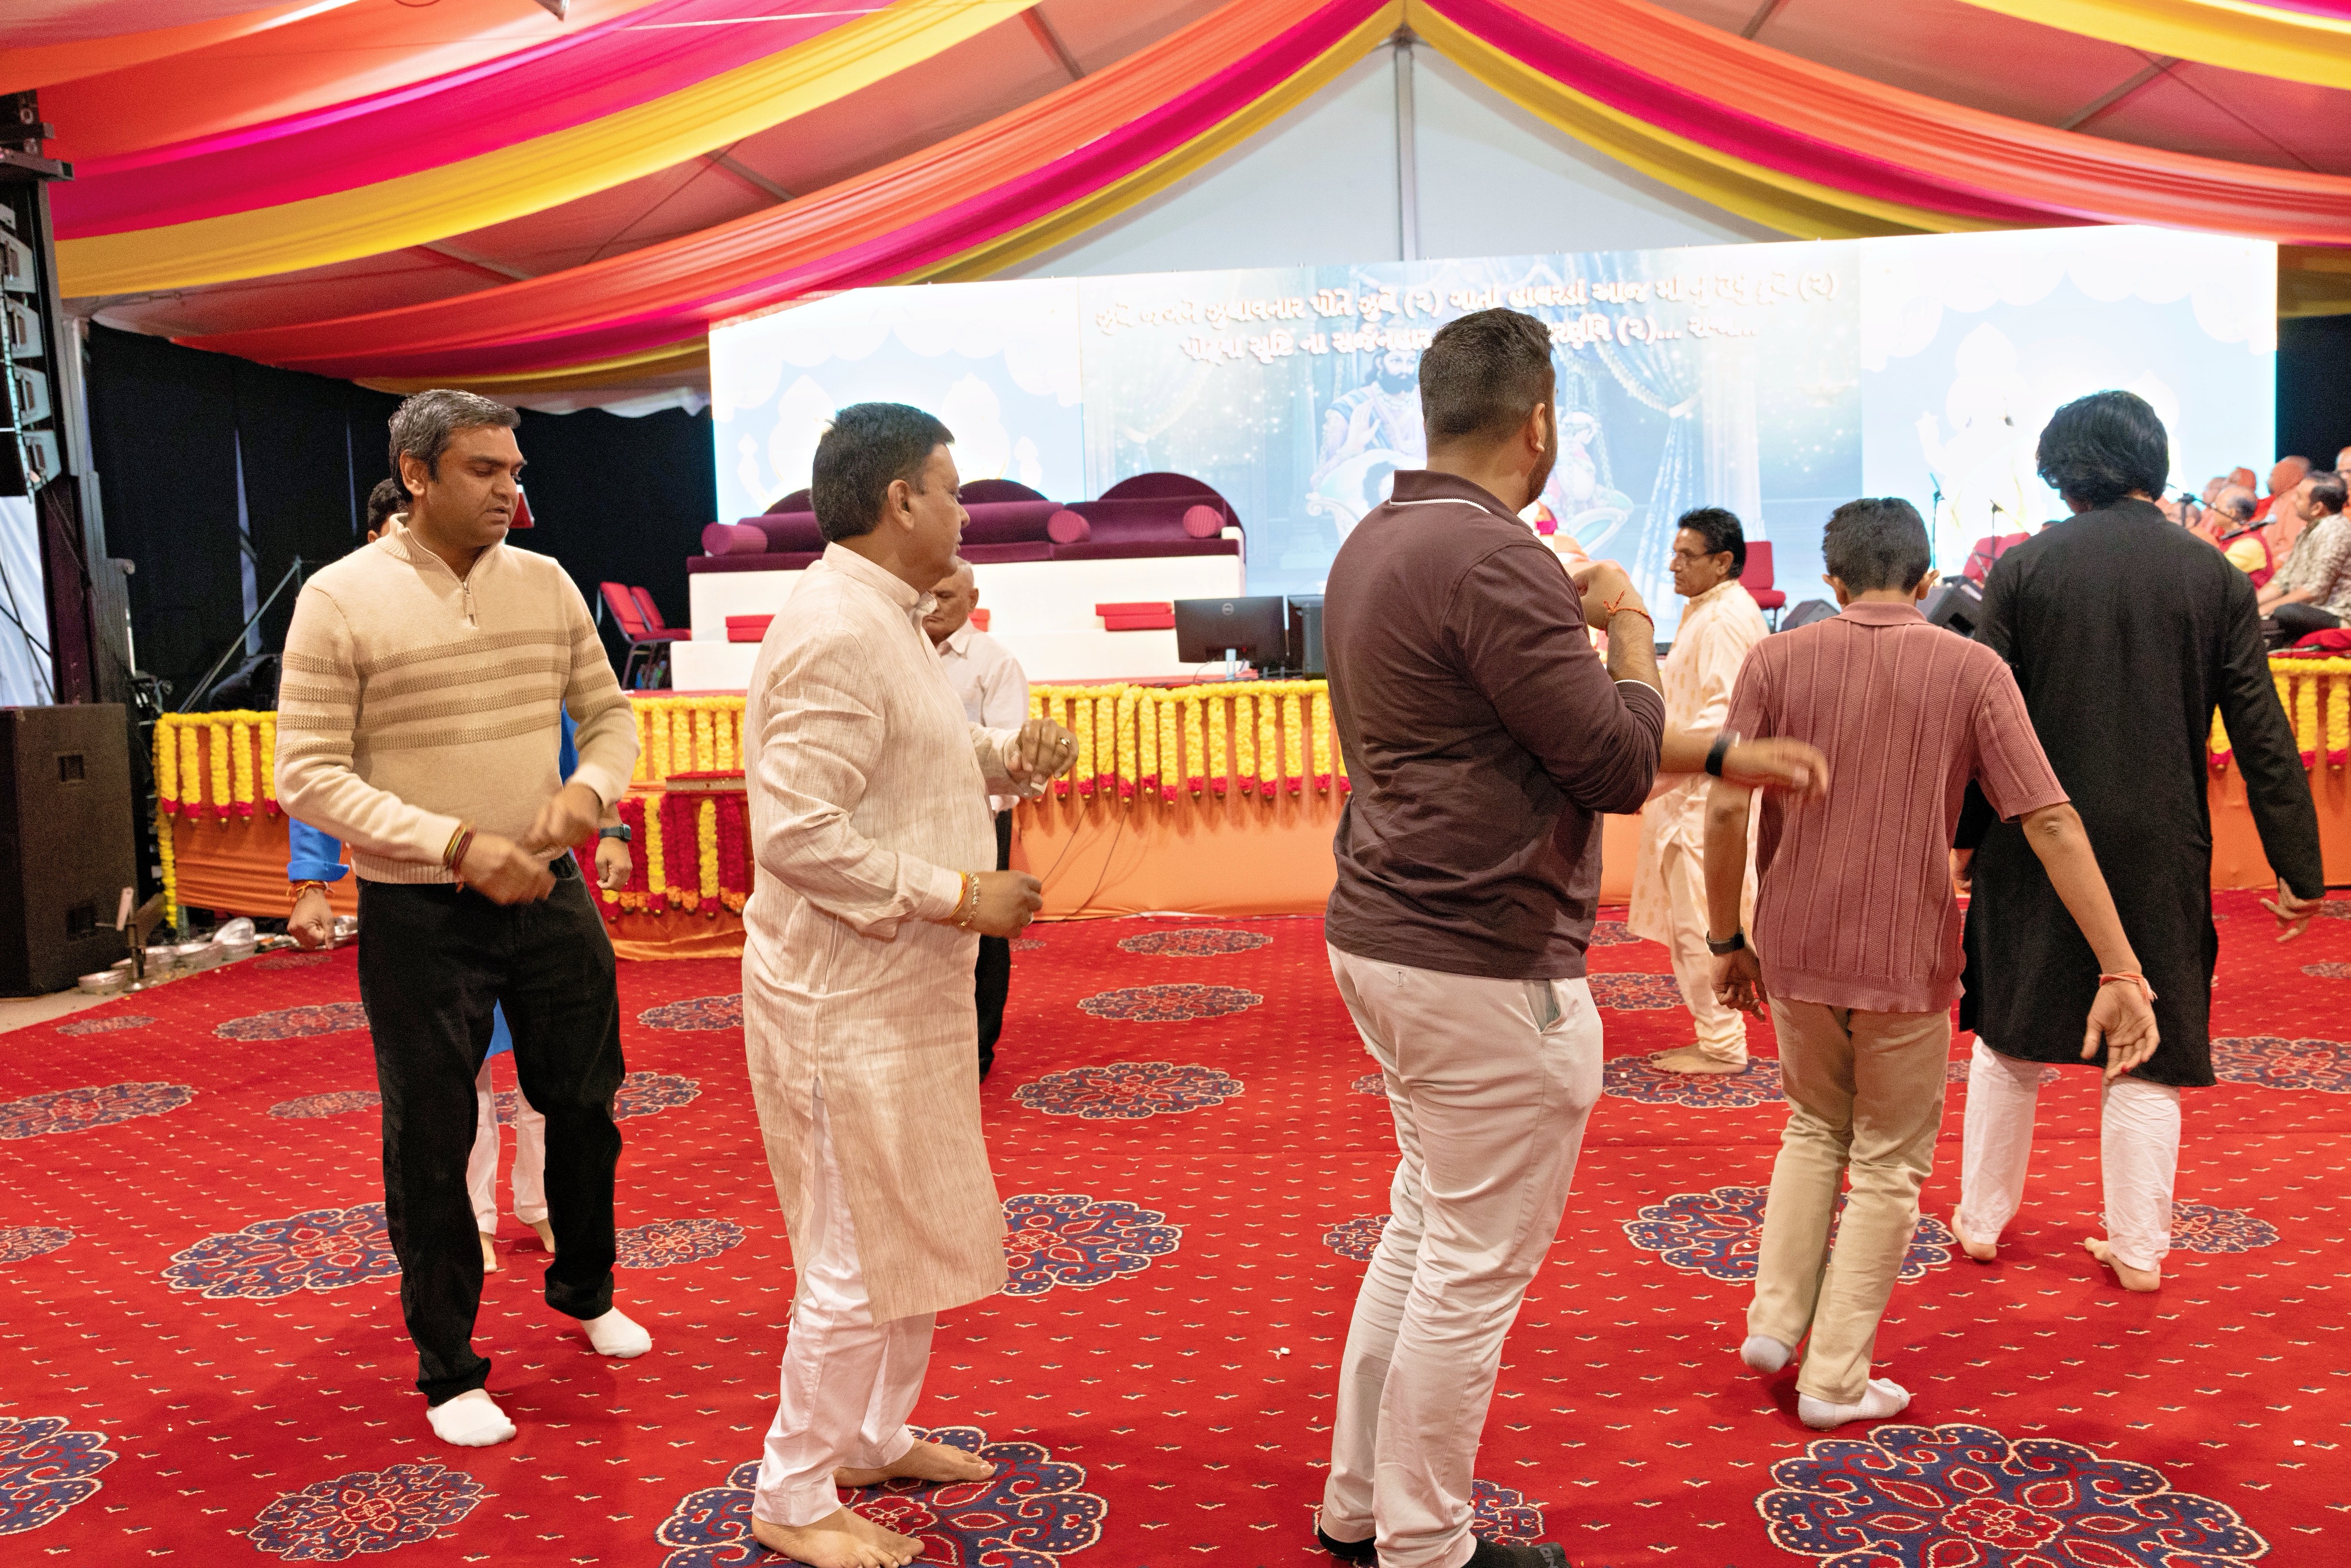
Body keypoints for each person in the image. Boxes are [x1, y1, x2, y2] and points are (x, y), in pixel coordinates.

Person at [1313, 308, 1828, 1568]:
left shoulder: (1376, 537)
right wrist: (1630, 624)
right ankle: (1424, 1541)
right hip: (1478, 948)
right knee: (1467, 1265)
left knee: (1425, 1231)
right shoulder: (1496, 559)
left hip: (1389, 927)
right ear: (1539, 423)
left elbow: (1525, 735)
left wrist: (1717, 750)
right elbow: (1606, 759)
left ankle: (1361, 1507)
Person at [1703, 496, 2156, 1431]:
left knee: (1812, 1127)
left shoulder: (1777, 657)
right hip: (1903, 955)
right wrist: (2121, 966)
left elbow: (1724, 805)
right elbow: (2049, 820)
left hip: (1793, 941)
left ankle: (1775, 1324)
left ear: (1831, 580)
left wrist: (1725, 939)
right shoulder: (1971, 666)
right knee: (1887, 1162)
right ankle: (1834, 1378)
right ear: (1926, 578)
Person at [739, 402, 1076, 1568]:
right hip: (845, 997)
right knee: (850, 1255)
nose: (966, 514)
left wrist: (1003, 756)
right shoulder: (837, 625)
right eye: (953, 490)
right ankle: (791, 1490)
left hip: (899, 986)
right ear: (901, 501)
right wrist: (958, 893)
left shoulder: (882, 616)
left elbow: (907, 752)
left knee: (907, 1228)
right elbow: (797, 834)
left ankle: (871, 1437)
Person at [277, 388, 647, 1450]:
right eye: (484, 469)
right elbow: (306, 772)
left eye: (515, 470)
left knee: (585, 1102)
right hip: (419, 908)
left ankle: (585, 1287)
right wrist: (452, 844)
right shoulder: (340, 598)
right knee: (432, 1138)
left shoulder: (546, 580)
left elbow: (609, 714)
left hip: (549, 889)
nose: (508, 490)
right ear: (417, 474)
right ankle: (449, 1367)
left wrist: (592, 792)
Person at [1950, 393, 2326, 1294]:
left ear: (2062, 471)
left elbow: (1980, 724)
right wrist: (2300, 865)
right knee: (2149, 1046)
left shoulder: (2024, 567)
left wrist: (1964, 836)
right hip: (2162, 841)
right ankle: (2141, 1249)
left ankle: (1981, 1221)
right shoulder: (2213, 575)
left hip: (2034, 833)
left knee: (2009, 1034)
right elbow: (2262, 729)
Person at [287, 707, 633, 1272]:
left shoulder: (526, 654)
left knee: (555, 1074)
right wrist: (311, 880)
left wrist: (612, 827)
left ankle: (543, 1204)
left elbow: (578, 736)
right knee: (458, 1080)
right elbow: (325, 766)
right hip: (427, 895)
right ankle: (475, 1218)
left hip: (534, 881)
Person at [1630, 506, 1772, 1075]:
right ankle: (1717, 1036)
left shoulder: (1723, 619)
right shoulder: (1708, 610)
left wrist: (1660, 774)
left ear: (1722, 561)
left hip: (1705, 799)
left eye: (1686, 556)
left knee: (1702, 925)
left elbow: (1723, 721)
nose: (1673, 565)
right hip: (1690, 795)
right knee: (1692, 923)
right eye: (1673, 554)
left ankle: (1722, 1044)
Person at [922, 557, 1030, 1078]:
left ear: (972, 600)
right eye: (927, 594)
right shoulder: (903, 652)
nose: (932, 605)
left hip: (979, 818)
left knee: (984, 931)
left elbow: (1010, 753)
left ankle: (978, 1050)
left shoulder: (995, 663)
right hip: (917, 816)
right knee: (925, 925)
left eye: (945, 596)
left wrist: (979, 817)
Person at [2256, 469, 2351, 645]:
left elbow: (2315, 590)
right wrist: (2251, 605)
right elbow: (2282, 581)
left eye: (2299, 497)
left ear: (2317, 508)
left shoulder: (2336, 532)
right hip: (2309, 610)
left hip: (2336, 613)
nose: (2293, 500)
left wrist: (2266, 609)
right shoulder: (2308, 530)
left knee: (2285, 612)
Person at [2249, 454, 2310, 522]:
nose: (2266, 481)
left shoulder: (2294, 502)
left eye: (2271, 476)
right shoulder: (2279, 500)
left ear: (2285, 476)